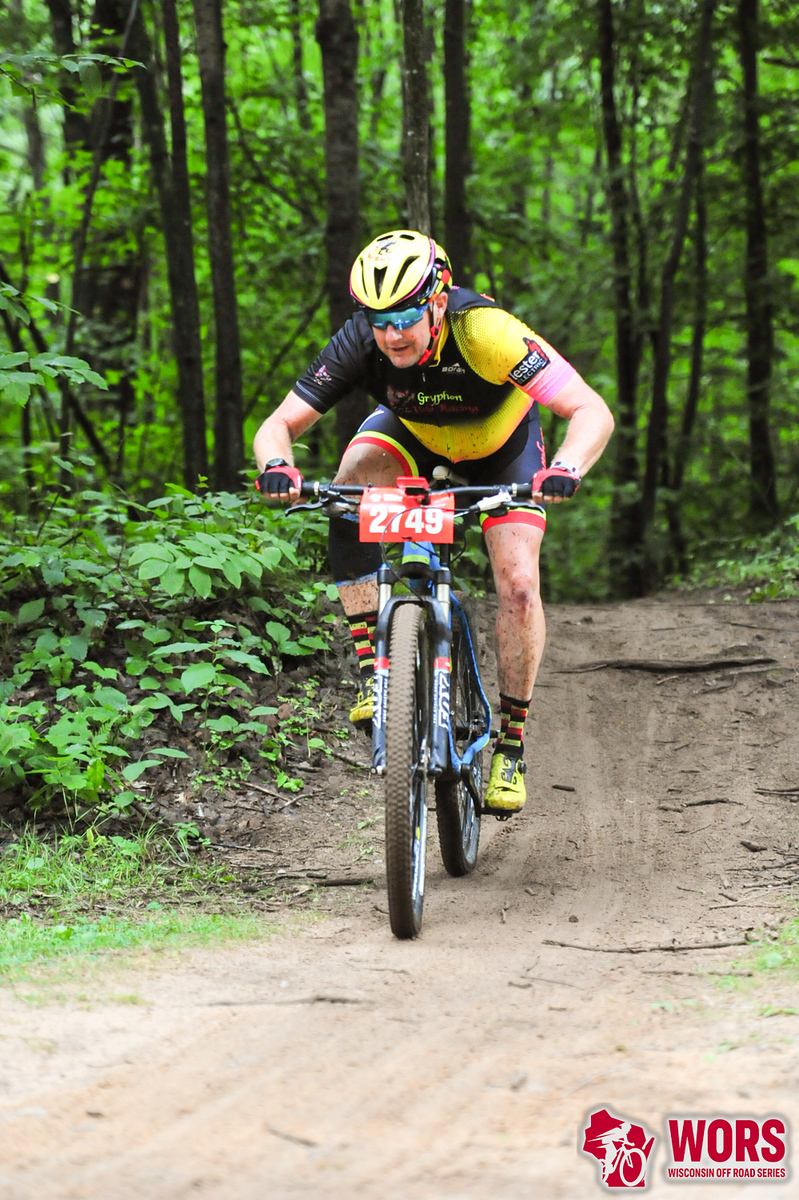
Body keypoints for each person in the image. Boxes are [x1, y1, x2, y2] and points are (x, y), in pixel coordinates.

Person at [253, 229, 613, 815]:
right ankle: (374, 671)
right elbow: (278, 425)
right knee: (345, 495)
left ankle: (511, 743)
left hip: (501, 448)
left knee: (519, 584)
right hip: (413, 437)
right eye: (379, 321)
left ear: (438, 303)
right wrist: (276, 465)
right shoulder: (360, 341)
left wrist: (568, 467)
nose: (392, 335)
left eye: (406, 317)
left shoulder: (487, 333)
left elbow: (590, 409)